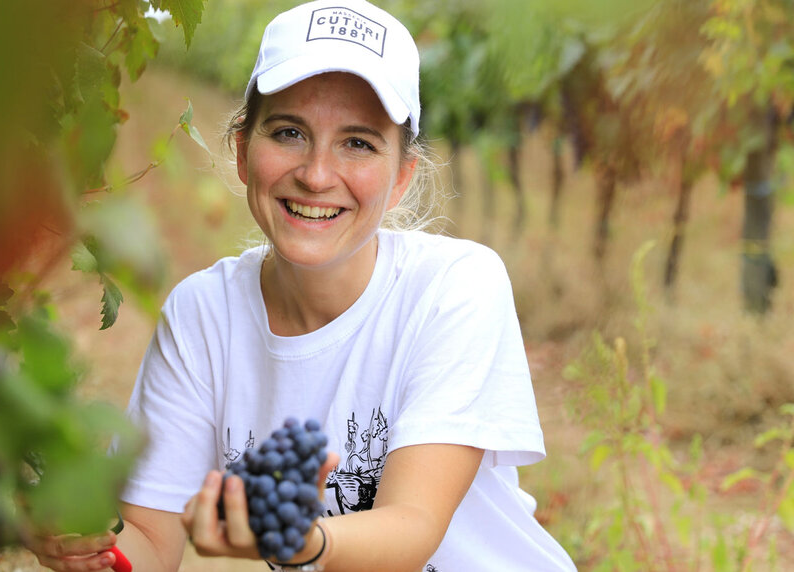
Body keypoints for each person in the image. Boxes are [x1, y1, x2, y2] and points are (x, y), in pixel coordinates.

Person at [29, 0, 576, 570]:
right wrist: (87, 545)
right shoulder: (201, 318)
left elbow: (414, 530)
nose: (316, 175)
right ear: (243, 152)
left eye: (358, 143)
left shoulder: (456, 287)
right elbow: (147, 544)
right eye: (289, 132)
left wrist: (304, 540)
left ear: (401, 179)